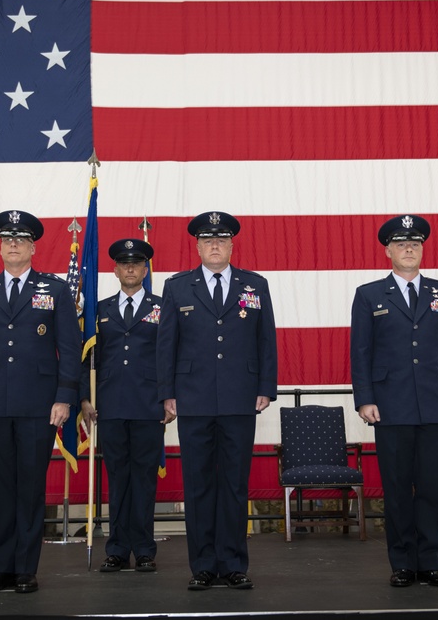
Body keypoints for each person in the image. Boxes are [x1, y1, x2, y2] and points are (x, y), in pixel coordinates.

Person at [0, 210, 82, 594]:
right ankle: (1, 569)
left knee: (29, 487)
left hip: (38, 405)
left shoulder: (55, 289)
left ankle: (26, 568)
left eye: (21, 240)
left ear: (32, 247)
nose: (13, 245)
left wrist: (64, 398)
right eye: (7, 239)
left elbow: (69, 347)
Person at [157, 211, 277, 591]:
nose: (214, 245)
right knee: (198, 484)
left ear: (231, 245)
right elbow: (166, 346)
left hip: (241, 397)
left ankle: (234, 562)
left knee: (234, 485)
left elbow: (266, 340)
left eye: (221, 240)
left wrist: (266, 386)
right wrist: (167, 393)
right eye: (208, 240)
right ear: (197, 246)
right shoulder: (178, 287)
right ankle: (204, 565)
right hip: (192, 399)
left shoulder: (254, 284)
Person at [349, 214, 438, 589]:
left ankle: (430, 562)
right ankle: (402, 562)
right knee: (398, 488)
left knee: (433, 487)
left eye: (414, 244)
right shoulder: (369, 295)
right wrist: (364, 399)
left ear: (422, 250)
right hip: (390, 404)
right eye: (401, 244)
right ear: (388, 251)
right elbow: (361, 352)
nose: (409, 250)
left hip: (436, 403)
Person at [77, 239, 172, 574]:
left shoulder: (164, 307)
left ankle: (144, 550)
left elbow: (171, 356)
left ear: (145, 270)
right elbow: (86, 358)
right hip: (111, 408)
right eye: (124, 264)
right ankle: (117, 549)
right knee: (117, 481)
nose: (130, 269)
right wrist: (84, 399)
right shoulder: (99, 310)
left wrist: (170, 398)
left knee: (144, 482)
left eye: (136, 264)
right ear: (115, 270)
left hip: (149, 408)